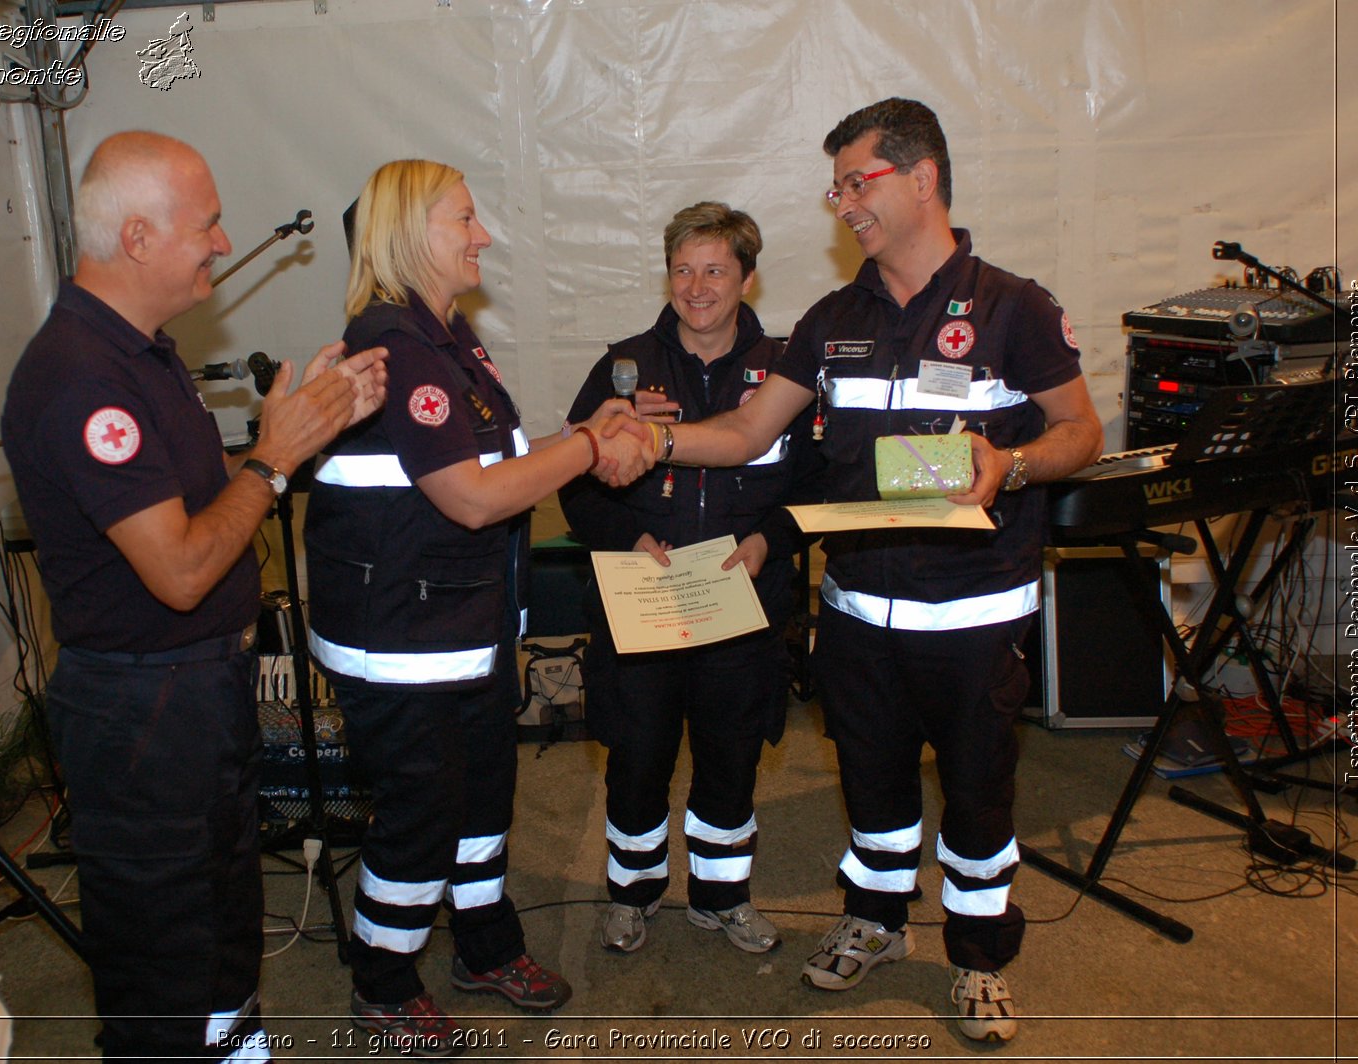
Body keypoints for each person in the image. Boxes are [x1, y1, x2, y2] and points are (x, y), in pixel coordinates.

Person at [655, 99, 1103, 1042]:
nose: (842, 201)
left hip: (975, 611)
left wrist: (1010, 464)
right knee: (873, 785)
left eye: (857, 181)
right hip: (856, 611)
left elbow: (1082, 432)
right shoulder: (829, 319)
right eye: (838, 185)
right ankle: (877, 919)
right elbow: (743, 432)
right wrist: (636, 444)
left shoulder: (1015, 307)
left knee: (980, 791)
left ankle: (980, 958)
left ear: (922, 177)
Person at [1, 131, 388, 1063]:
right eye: (208, 223)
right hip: (142, 708)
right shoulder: (82, 378)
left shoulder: (144, 354)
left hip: (198, 690)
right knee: (159, 947)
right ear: (138, 237)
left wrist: (304, 429)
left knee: (219, 913)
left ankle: (232, 1044)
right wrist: (275, 457)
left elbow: (205, 489)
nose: (223, 242)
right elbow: (177, 567)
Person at [302, 159, 652, 1055]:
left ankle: (485, 948)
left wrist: (596, 432)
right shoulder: (400, 348)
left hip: (465, 634)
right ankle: (383, 986)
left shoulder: (451, 343)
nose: (483, 234)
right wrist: (586, 447)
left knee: (484, 804)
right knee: (420, 821)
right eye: (464, 218)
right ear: (413, 233)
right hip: (407, 644)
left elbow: (498, 460)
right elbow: (472, 498)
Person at [558, 202, 812, 957]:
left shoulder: (786, 376)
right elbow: (573, 484)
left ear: (746, 276)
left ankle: (722, 897)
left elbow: (819, 486)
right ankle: (632, 895)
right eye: (682, 269)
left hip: (743, 604)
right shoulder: (622, 368)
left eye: (714, 270)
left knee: (731, 760)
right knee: (637, 759)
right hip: (644, 606)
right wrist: (626, 533)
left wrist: (770, 540)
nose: (697, 287)